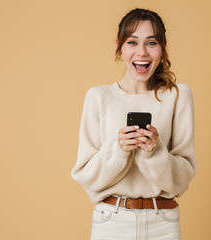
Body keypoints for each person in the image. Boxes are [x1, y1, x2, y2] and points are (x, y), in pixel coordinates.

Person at [71, 8, 197, 240]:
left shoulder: (177, 95)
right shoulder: (98, 97)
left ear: (162, 48)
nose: (142, 52)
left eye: (151, 43)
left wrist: (155, 152)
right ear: (119, 46)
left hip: (163, 223)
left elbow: (181, 182)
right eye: (132, 42)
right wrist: (118, 149)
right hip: (111, 222)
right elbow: (85, 176)